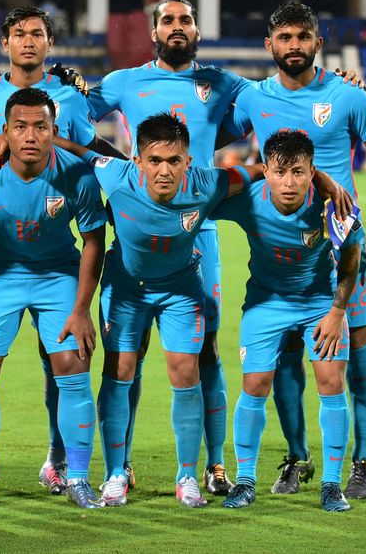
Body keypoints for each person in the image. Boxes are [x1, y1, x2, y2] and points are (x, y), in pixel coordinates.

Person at [45, 114, 285, 508]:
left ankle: (187, 477)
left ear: (188, 161)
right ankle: (115, 474)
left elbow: (258, 171)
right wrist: (17, 140)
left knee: (186, 372)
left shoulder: (207, 182)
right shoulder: (115, 174)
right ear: (137, 161)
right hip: (126, 289)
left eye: (174, 161)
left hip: (180, 290)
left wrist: (324, 181)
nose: (164, 171)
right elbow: (79, 151)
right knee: (120, 370)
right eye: (154, 160)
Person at [221, 0, 366, 500]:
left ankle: (362, 459)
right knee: (284, 356)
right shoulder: (253, 98)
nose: (294, 45)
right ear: (269, 45)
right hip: (285, 242)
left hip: (342, 244)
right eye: (285, 37)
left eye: (303, 36)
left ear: (318, 42)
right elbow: (209, 139)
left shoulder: (346, 94)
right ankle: (296, 456)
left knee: (356, 347)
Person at [0, 4, 122, 494]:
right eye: (19, 33)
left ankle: (64, 464)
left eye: (37, 33)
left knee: (63, 361)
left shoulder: (70, 97)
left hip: (56, 261)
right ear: (4, 42)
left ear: (49, 41)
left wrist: (134, 177)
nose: (28, 41)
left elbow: (89, 154)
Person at [210, 129, 362, 513]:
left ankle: (331, 486)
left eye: (298, 172)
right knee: (255, 384)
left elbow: (352, 256)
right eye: (279, 172)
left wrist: (337, 311)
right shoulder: (248, 199)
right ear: (266, 172)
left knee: (331, 382)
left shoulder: (332, 204)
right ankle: (245, 481)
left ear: (312, 172)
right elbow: (198, 198)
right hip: (266, 302)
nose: (289, 182)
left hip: (319, 303)